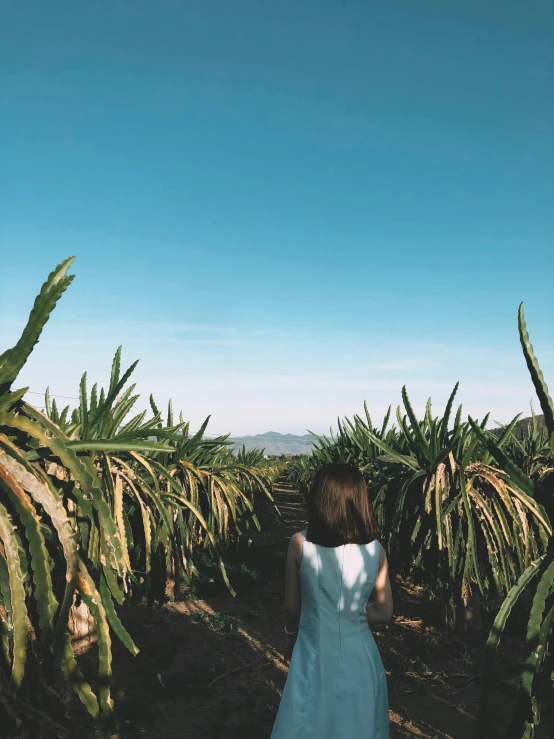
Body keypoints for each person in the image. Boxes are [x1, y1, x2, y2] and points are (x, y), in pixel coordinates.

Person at [270, 463, 392, 739]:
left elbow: (292, 607)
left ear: (319, 499)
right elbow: (384, 612)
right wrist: (353, 615)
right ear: (361, 500)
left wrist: (291, 635)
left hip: (313, 651)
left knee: (306, 722)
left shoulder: (299, 544)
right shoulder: (376, 550)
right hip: (361, 656)